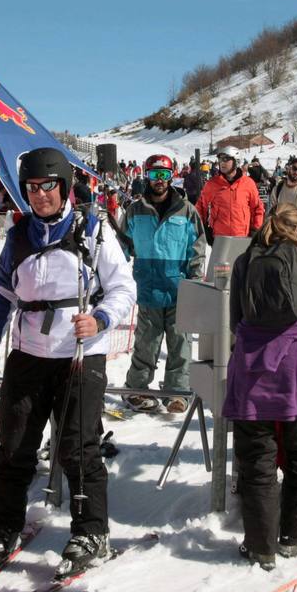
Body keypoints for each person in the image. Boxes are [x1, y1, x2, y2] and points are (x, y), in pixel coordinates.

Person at [0, 147, 136, 575]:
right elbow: (3, 292)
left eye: (48, 186)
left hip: (80, 355)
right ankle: (4, 525)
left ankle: (91, 530)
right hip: (28, 354)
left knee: (77, 448)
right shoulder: (20, 235)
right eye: (32, 188)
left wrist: (101, 318)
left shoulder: (94, 232)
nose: (40, 195)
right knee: (14, 444)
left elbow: (123, 288)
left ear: (64, 187)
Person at [227, 204, 297, 570]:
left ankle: (261, 546)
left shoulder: (245, 260)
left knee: (256, 457)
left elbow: (235, 320)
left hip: (251, 362)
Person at [118, 154, 207, 414]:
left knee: (180, 343)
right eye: (155, 175)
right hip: (148, 286)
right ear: (146, 175)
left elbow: (198, 246)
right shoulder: (136, 209)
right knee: (146, 342)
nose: (160, 180)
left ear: (172, 176)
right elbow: (123, 246)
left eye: (164, 175)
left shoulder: (186, 209)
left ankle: (176, 393)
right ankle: (136, 389)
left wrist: (194, 279)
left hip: (179, 287)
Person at [196, 150, 264, 242]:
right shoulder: (212, 184)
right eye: (220, 159)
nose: (222, 162)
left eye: (226, 159)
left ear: (236, 161)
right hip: (219, 239)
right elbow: (200, 207)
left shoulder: (248, 183)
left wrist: (255, 229)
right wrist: (203, 229)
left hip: (242, 238)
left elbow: (257, 208)